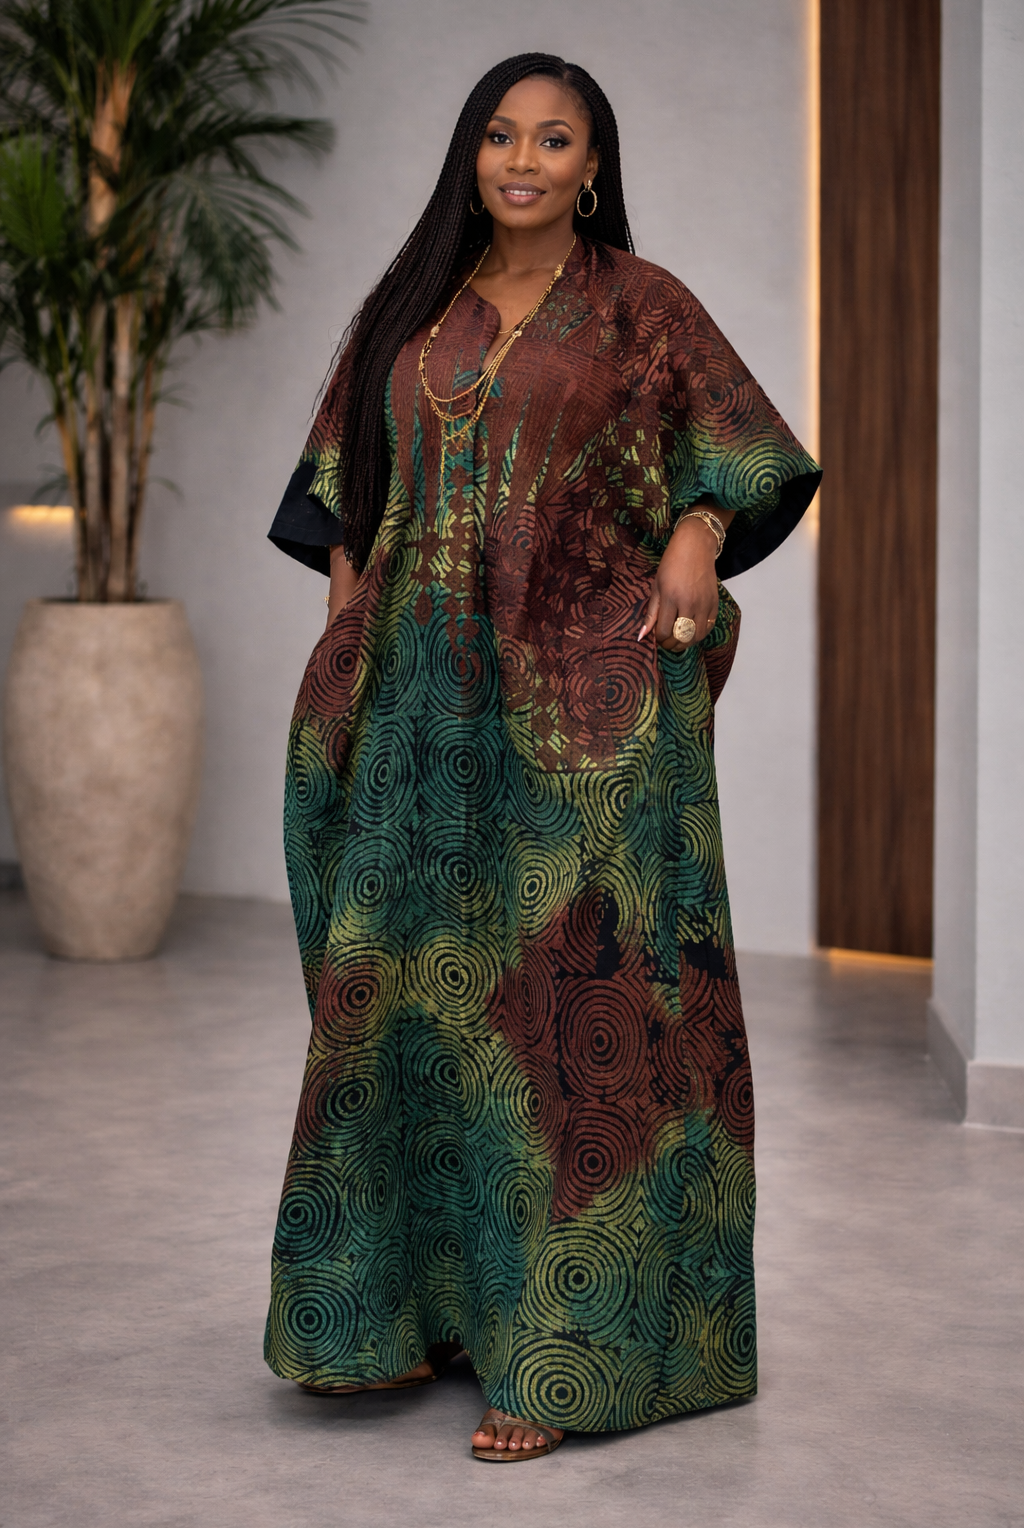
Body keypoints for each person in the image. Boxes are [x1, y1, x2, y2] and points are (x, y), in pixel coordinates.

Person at [265, 52, 820, 1462]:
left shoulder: (641, 307)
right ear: (471, 156)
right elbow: (342, 481)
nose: (524, 157)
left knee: (568, 1034)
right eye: (501, 135)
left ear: (590, 164)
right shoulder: (415, 309)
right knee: (406, 1013)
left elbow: (746, 458)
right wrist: (346, 635)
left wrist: (695, 536)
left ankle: (563, 1359)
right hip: (416, 724)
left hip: (575, 723)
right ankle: (411, 1317)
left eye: (554, 138)